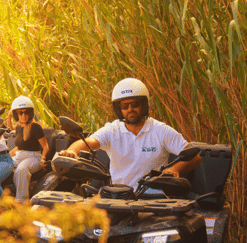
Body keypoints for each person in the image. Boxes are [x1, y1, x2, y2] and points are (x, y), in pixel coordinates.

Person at [58, 78, 201, 195]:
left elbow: (194, 156)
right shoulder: (112, 130)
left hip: (153, 197)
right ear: (119, 109)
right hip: (117, 195)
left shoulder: (161, 131)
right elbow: (89, 142)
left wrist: (175, 169)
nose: (130, 109)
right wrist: (72, 152)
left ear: (144, 104)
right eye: (125, 106)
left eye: (135, 104)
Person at [8, 96, 49, 202]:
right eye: (20, 113)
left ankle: (22, 202)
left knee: (21, 169)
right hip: (20, 156)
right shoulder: (18, 127)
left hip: (34, 157)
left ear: (30, 113)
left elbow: (45, 146)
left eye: (26, 112)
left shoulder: (35, 127)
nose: (24, 115)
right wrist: (6, 156)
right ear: (16, 114)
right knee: (3, 164)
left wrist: (43, 159)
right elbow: (17, 144)